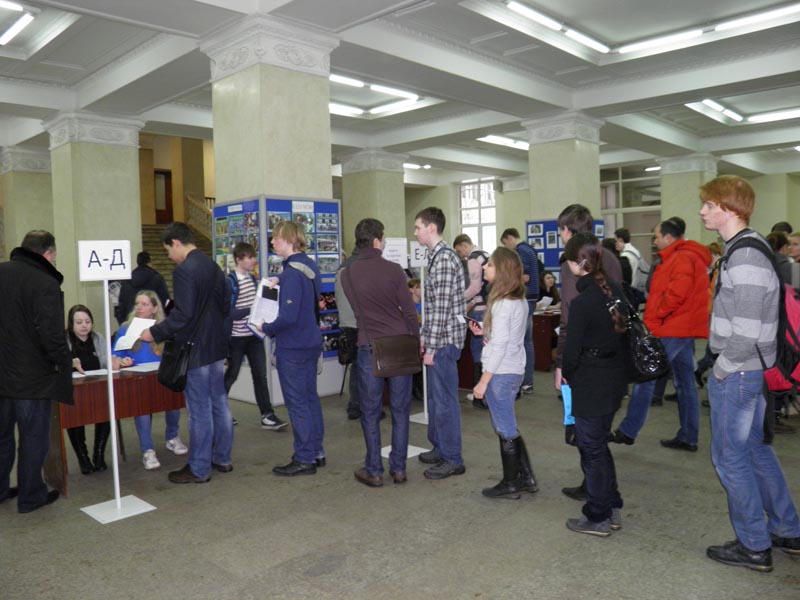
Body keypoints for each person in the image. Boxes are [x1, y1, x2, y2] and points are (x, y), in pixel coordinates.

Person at [699, 175, 800, 571]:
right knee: (755, 450)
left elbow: (746, 330)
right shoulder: (746, 248)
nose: (703, 211)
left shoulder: (745, 257)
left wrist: (720, 370)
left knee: (730, 458)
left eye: (709, 205)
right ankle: (787, 530)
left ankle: (753, 545)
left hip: (739, 373)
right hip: (749, 372)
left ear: (730, 209)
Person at [141, 222, 232, 484]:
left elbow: (183, 315)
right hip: (215, 348)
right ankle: (222, 458)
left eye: (168, 250)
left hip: (195, 350)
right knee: (219, 404)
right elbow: (226, 305)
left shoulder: (184, 270)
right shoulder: (213, 266)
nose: (169, 256)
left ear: (176, 243)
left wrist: (155, 332)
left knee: (199, 410)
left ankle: (199, 467)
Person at [611, 219, 711, 451]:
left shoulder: (682, 258)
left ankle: (628, 430)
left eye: (656, 237)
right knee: (685, 383)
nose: (654, 242)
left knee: (646, 375)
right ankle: (688, 436)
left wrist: (656, 316)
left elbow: (676, 295)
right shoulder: (681, 256)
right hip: (681, 327)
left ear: (668, 237)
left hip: (673, 327)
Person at [342, 218, 420, 487]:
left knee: (370, 411)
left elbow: (358, 312)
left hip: (369, 345)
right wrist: (416, 340)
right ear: (377, 241)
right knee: (400, 409)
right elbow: (409, 311)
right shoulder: (395, 270)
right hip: (398, 344)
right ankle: (399, 469)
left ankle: (374, 470)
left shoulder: (347, 274)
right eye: (383, 238)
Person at [561, 233, 628, 537]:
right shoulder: (614, 290)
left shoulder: (582, 302)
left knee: (592, 451)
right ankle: (611, 504)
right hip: (614, 380)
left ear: (578, 264)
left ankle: (598, 515)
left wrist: (569, 377)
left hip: (590, 383)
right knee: (599, 445)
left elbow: (571, 353)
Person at [555, 205, 622, 502]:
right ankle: (599, 487)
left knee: (585, 433)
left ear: (567, 231)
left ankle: (598, 494)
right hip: (613, 358)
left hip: (585, 363)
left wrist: (561, 364)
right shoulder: (610, 257)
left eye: (560, 230)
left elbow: (569, 318)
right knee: (598, 434)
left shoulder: (573, 264)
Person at [0, 230, 71, 513]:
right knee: (33, 439)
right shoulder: (45, 282)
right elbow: (52, 335)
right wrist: (64, 363)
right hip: (32, 380)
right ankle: (31, 496)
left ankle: (1, 489)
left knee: (2, 437)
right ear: (48, 253)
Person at [470, 247, 538, 499]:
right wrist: (485, 331)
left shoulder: (502, 304)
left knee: (505, 428)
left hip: (501, 373)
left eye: (489, 264)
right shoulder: (517, 300)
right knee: (508, 426)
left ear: (502, 270)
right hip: (513, 369)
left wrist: (483, 381)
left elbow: (499, 347)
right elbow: (506, 337)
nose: (484, 267)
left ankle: (511, 482)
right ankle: (526, 478)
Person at [260, 221, 324, 477]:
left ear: (288, 240)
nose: (272, 242)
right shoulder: (309, 266)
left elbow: (287, 317)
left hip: (293, 347)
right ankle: (317, 452)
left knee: (297, 404)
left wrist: (265, 327)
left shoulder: (291, 274)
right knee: (310, 400)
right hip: (310, 342)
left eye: (275, 238)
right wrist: (281, 280)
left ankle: (304, 458)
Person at [414, 207, 467, 480]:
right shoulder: (436, 257)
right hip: (439, 339)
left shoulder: (444, 259)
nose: (415, 232)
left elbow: (441, 309)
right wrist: (425, 339)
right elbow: (432, 306)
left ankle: (453, 458)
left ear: (431, 228)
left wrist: (431, 347)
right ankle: (440, 447)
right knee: (436, 399)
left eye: (418, 227)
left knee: (445, 401)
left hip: (444, 342)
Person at [114, 290, 188, 470]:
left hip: (161, 375)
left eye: (145, 304)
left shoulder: (163, 328)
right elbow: (115, 357)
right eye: (137, 304)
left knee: (173, 398)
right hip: (137, 379)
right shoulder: (126, 328)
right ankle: (147, 449)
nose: (139, 307)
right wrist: (122, 361)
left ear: (155, 308)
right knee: (142, 408)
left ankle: (172, 437)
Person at [224, 242, 287, 431]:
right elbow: (227, 313)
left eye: (253, 257)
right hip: (235, 338)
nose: (254, 261)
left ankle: (267, 415)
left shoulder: (253, 279)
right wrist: (250, 310)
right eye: (250, 257)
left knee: (260, 375)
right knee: (231, 375)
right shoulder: (229, 282)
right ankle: (220, 411)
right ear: (239, 260)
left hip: (253, 337)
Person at [66, 304, 113, 473]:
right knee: (74, 418)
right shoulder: (64, 340)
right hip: (75, 391)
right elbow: (55, 365)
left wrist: (116, 362)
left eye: (87, 321)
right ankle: (83, 458)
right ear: (71, 324)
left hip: (97, 387)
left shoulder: (98, 338)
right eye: (79, 322)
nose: (84, 326)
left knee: (107, 411)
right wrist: (70, 363)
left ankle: (98, 454)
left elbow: (106, 362)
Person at [500, 228, 539, 394]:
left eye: (505, 243)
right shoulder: (530, 249)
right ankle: (527, 382)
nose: (507, 247)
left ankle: (522, 380)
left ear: (509, 237)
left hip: (525, 298)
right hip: (532, 297)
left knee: (521, 341)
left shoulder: (521, 251)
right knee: (527, 342)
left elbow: (525, 277)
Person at [454, 233, 490, 409]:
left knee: (478, 351)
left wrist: (457, 299)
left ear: (464, 245)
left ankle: (478, 394)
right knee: (487, 349)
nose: (461, 255)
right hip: (489, 307)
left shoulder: (473, 258)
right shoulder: (486, 255)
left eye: (459, 251)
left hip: (479, 310)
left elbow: (475, 287)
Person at [334, 246, 362, 420]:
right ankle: (360, 405)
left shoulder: (342, 268)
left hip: (346, 324)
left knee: (356, 366)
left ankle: (355, 404)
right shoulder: (362, 267)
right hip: (360, 324)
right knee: (363, 367)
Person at [116, 251, 170, 325]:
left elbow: (121, 303)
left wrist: (123, 322)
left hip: (131, 321)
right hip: (154, 322)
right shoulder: (157, 278)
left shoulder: (127, 280)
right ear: (149, 262)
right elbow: (166, 300)